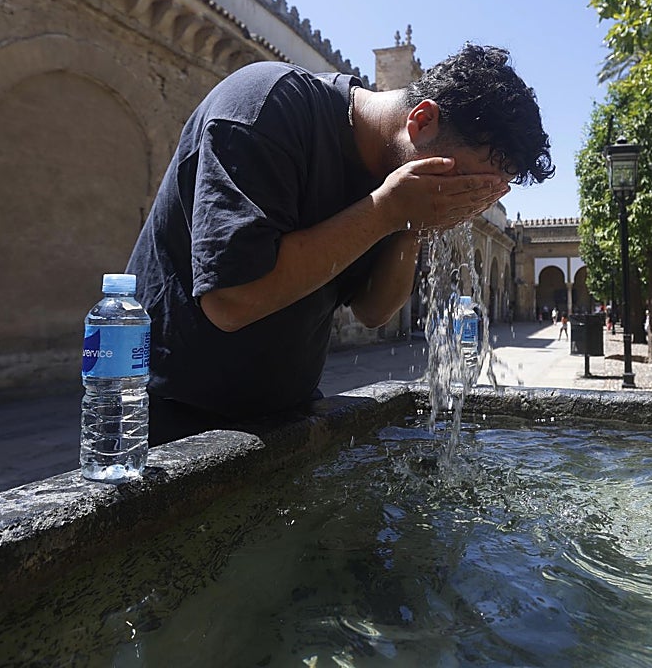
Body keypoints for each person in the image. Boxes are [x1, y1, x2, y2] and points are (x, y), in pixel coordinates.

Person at [127, 44, 553, 446]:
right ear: (422, 121)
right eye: (460, 181)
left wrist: (411, 223)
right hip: (173, 419)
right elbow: (230, 300)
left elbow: (375, 310)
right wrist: (385, 210)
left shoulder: (393, 177)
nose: (464, 199)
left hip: (288, 413)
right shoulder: (267, 107)